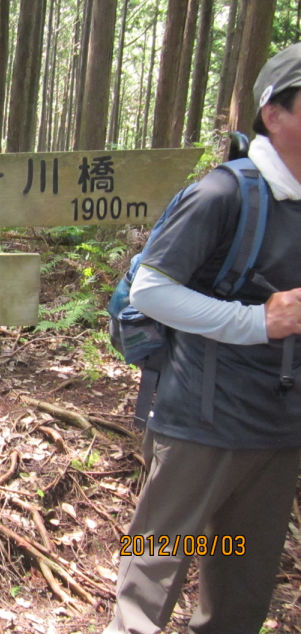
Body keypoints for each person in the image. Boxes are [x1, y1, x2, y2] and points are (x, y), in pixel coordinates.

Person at [104, 42, 301, 634]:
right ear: (274, 113)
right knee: (151, 573)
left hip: (278, 431)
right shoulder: (223, 194)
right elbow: (151, 290)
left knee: (241, 582)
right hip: (200, 425)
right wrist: (257, 322)